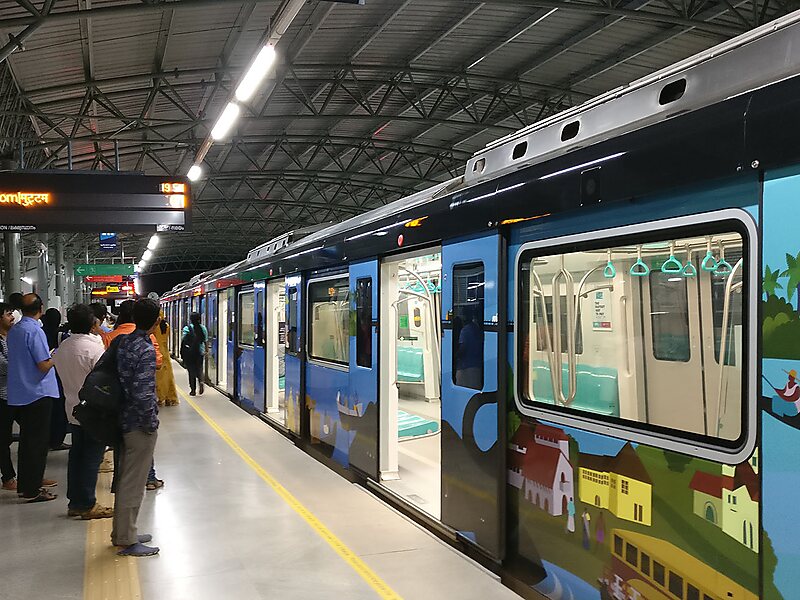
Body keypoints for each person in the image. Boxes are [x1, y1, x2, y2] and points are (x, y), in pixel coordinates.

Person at [52, 304, 112, 519]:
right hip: (93, 411)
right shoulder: (94, 349)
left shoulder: (63, 347)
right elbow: (104, 381)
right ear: (92, 324)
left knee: (77, 455)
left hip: (71, 408)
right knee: (91, 457)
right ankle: (87, 503)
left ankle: (75, 501)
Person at [112, 298, 161, 556]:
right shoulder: (145, 348)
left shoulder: (125, 342)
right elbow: (143, 394)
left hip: (124, 417)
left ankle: (123, 531)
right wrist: (151, 422)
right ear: (156, 320)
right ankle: (127, 539)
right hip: (138, 424)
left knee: (127, 478)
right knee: (134, 481)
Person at [7, 293, 59, 502]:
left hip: (21, 393)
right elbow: (42, 364)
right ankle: (33, 489)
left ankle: (25, 485)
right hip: (38, 393)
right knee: (37, 444)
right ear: (41, 308)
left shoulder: (15, 330)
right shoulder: (34, 331)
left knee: (27, 442)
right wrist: (56, 356)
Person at [43, 308, 69, 451]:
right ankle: (56, 440)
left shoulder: (40, 332)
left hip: (43, 376)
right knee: (59, 411)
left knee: (49, 411)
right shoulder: (61, 335)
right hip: (58, 375)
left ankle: (46, 439)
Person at [0, 302, 18, 491]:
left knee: (32, 434)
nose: (12, 317)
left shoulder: (11, 337)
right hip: (2, 396)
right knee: (3, 439)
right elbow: (5, 367)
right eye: (7, 314)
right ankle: (8, 478)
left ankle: (33, 476)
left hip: (15, 394)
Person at [153, 312, 178, 407]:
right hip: (165, 352)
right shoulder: (167, 326)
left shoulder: (155, 328)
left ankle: (160, 398)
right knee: (168, 376)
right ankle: (169, 397)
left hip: (157, 351)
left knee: (159, 378)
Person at [181, 312, 208, 396]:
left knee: (191, 371)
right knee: (199, 368)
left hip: (189, 353)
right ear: (199, 319)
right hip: (200, 352)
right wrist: (206, 351)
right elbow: (205, 340)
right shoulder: (203, 328)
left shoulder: (187, 328)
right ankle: (201, 381)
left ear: (190, 319)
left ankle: (193, 390)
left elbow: (183, 340)